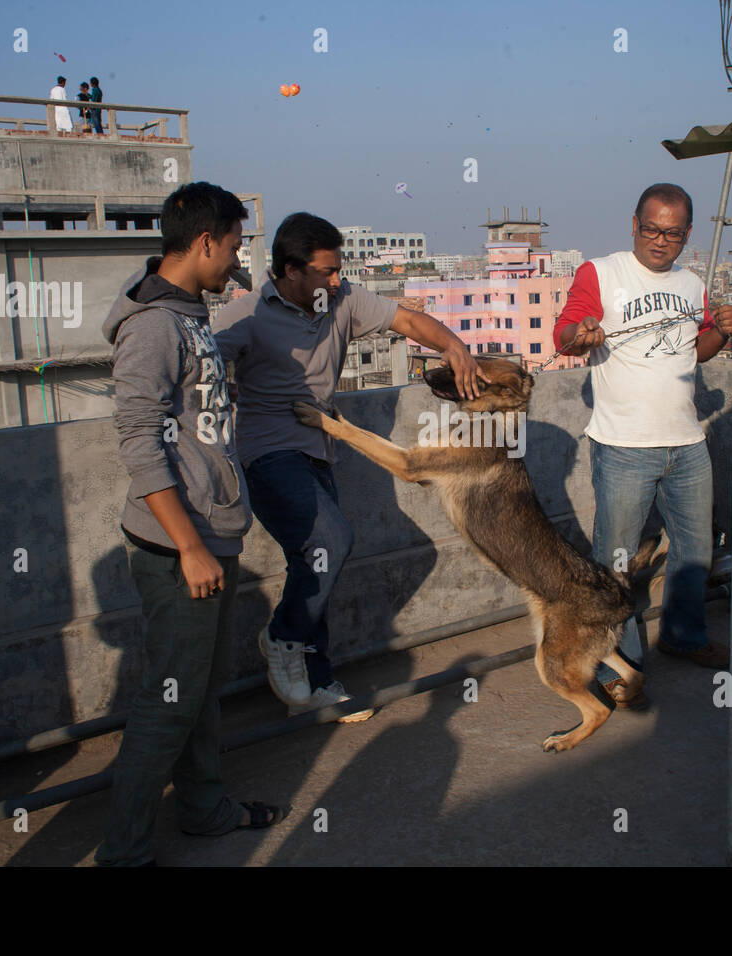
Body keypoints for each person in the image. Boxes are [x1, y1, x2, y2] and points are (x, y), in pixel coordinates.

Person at [213, 212, 478, 722]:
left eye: (339, 270)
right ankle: (282, 639)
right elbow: (195, 368)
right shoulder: (244, 317)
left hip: (321, 446)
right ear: (290, 272)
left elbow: (407, 321)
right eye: (325, 271)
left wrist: (455, 346)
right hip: (268, 453)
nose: (337, 280)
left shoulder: (344, 299)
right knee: (330, 542)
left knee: (315, 561)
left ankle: (316, 685)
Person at [96, 182, 284, 867]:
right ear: (203, 242)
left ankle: (204, 808)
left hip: (208, 534)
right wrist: (189, 546)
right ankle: (124, 855)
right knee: (168, 704)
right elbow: (138, 442)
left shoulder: (187, 308)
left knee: (199, 693)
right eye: (233, 246)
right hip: (180, 545)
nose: (236, 261)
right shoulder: (152, 325)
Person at [552, 183, 732, 709]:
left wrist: (721, 331)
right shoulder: (601, 273)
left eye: (672, 232)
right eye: (651, 229)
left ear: (687, 235)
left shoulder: (693, 282)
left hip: (686, 443)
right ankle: (620, 666)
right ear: (634, 225)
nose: (660, 240)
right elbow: (564, 333)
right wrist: (580, 335)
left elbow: (694, 353)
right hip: (624, 445)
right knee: (615, 563)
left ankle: (683, 636)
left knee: (695, 552)